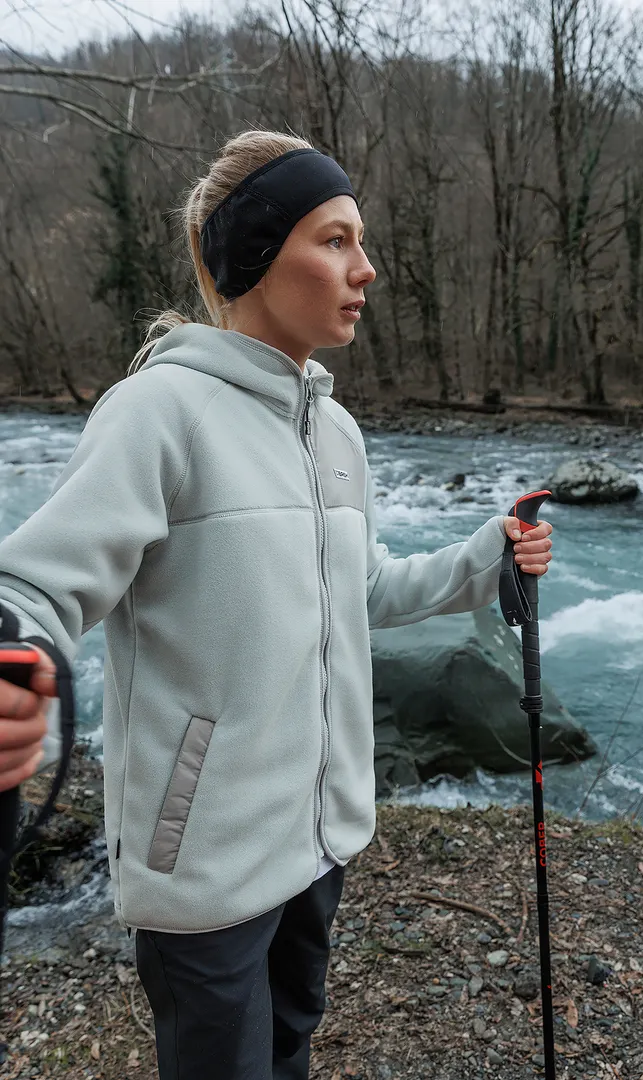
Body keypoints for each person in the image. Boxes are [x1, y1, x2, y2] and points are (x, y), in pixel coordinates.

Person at [0, 130, 553, 1079]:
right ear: (255, 253)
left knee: (289, 1050)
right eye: (334, 240)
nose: (365, 269)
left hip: (319, 839)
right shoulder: (159, 410)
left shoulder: (334, 429)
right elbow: (34, 582)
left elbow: (363, 589)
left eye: (359, 242)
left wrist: (483, 556)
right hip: (205, 863)